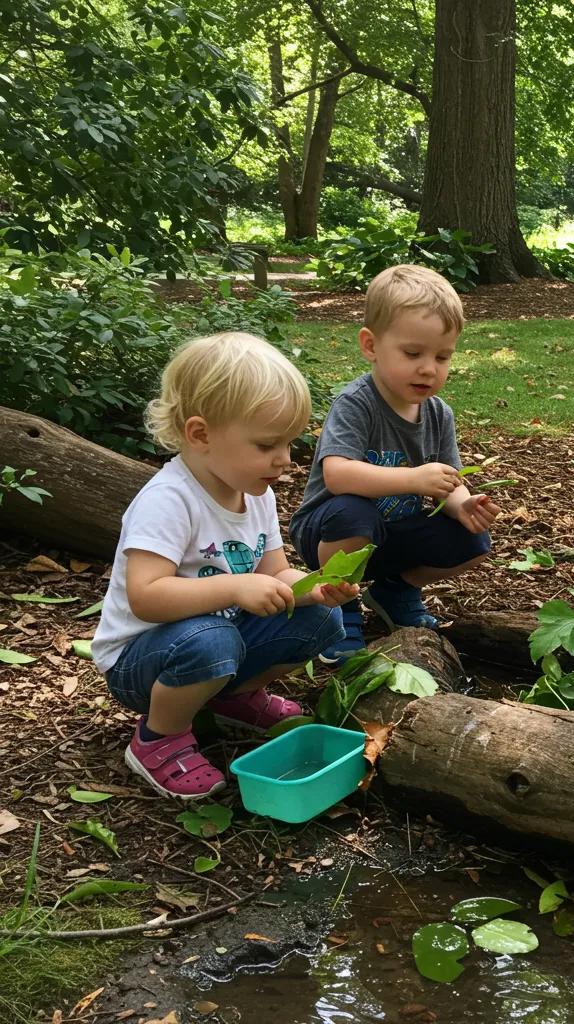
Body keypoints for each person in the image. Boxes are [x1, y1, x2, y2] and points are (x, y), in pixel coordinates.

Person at [91, 332, 354, 800]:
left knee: (322, 619)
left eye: (290, 443)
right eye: (267, 445)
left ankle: (232, 697)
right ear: (200, 435)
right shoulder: (169, 501)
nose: (284, 460)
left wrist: (313, 588)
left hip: (219, 643)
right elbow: (146, 596)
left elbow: (275, 572)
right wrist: (235, 589)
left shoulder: (257, 494)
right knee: (211, 639)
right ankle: (157, 738)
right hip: (144, 663)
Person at [289, 264, 498, 663]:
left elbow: (449, 481)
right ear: (370, 346)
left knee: (472, 540)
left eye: (442, 356)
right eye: (413, 353)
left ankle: (394, 589)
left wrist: (463, 504)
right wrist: (413, 479)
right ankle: (337, 608)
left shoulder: (439, 415)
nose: (428, 368)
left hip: (389, 534)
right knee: (354, 512)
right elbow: (337, 475)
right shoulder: (357, 403)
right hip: (329, 532)